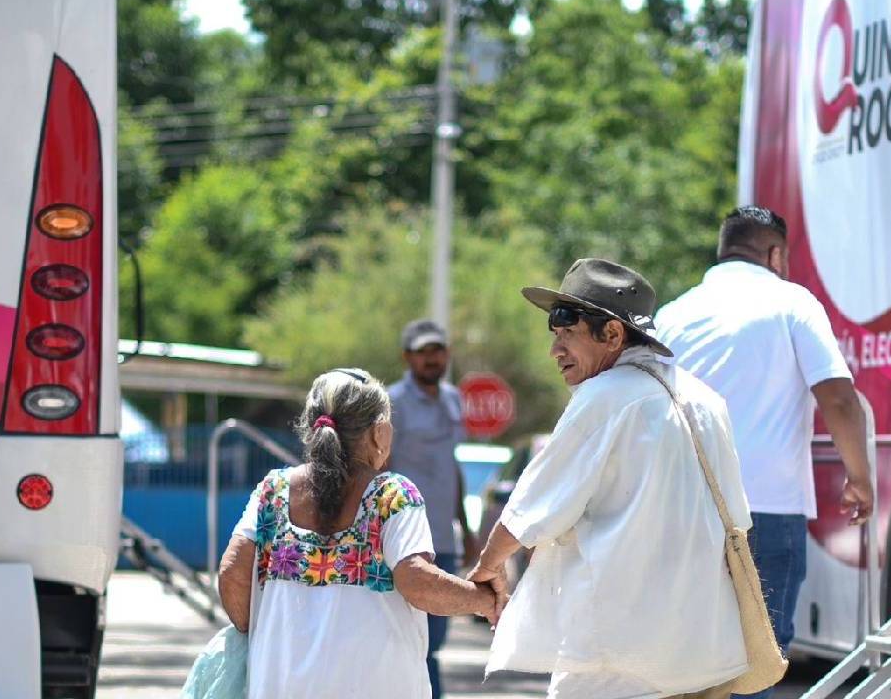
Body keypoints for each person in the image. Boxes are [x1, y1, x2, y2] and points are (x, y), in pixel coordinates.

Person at [470, 258, 752, 699]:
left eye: (567, 333)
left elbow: (531, 511)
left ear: (613, 335)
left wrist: (487, 568)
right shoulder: (707, 400)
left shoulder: (603, 396)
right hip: (700, 655)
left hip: (616, 660)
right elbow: (738, 519)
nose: (555, 350)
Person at [654, 206, 874, 698]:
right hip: (766, 512)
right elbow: (838, 397)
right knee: (759, 664)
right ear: (774, 253)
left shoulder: (673, 315)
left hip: (683, 514)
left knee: (688, 663)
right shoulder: (791, 302)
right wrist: (860, 477)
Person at [217, 368, 500, 699]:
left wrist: (272, 638)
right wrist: (486, 599)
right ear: (379, 432)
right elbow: (417, 582)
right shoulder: (394, 495)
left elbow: (232, 573)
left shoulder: (273, 490)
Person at [387, 319, 477, 699]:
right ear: (407, 357)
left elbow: (450, 465)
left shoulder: (454, 398)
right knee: (404, 644)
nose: (431, 358)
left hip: (443, 539)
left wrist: (467, 527)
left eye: (437, 350)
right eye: (422, 351)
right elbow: (379, 465)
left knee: (432, 645)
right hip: (403, 541)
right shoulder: (391, 402)